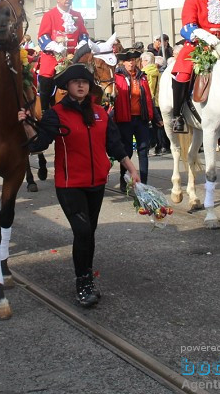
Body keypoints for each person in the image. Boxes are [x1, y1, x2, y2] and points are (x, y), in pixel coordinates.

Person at [20, 64, 140, 307]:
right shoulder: (56, 113)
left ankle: (87, 275)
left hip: (96, 184)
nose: (81, 85)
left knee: (89, 234)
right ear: (67, 87)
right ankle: (83, 282)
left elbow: (114, 145)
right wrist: (25, 123)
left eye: (85, 82)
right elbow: (38, 144)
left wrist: (131, 168)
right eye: (76, 82)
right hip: (69, 184)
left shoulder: (101, 113)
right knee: (82, 232)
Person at [168, 0, 220, 133]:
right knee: (183, 72)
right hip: (199, 45)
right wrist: (207, 37)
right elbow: (187, 28)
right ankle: (178, 115)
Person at [36, 0, 91, 112]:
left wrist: (82, 43)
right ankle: (45, 110)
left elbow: (83, 34)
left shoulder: (77, 15)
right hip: (53, 58)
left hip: (74, 58)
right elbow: (42, 38)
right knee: (46, 79)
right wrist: (55, 46)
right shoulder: (49, 15)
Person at [111, 49, 155, 188]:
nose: (131, 62)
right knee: (127, 150)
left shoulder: (142, 76)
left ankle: (145, 182)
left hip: (141, 118)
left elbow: (148, 98)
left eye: (134, 60)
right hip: (125, 119)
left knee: (143, 150)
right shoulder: (117, 76)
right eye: (129, 60)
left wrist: (155, 117)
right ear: (123, 62)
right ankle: (124, 179)